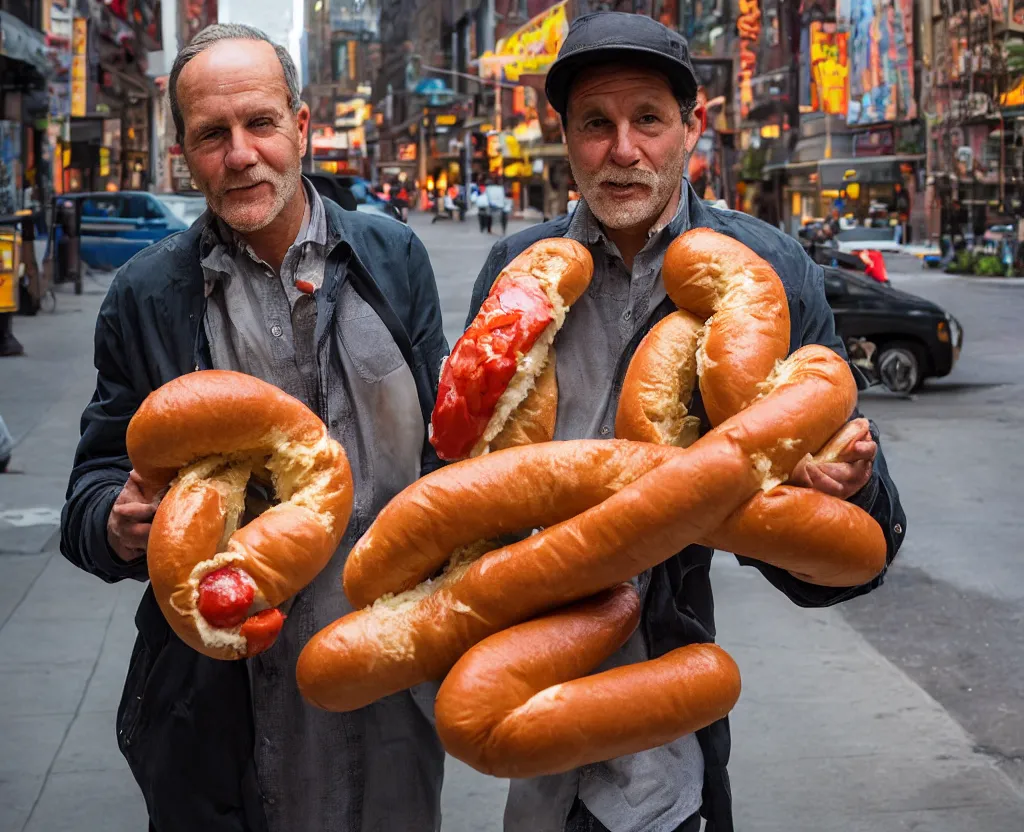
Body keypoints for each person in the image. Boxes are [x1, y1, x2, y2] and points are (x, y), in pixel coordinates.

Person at [465, 13, 906, 832]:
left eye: (649, 121)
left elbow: (854, 553)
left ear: (691, 128)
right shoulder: (515, 271)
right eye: (596, 123)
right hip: (531, 683)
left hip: (668, 702)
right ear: (563, 134)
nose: (623, 150)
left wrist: (851, 481)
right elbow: (472, 477)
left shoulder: (766, 270)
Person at [59, 24, 449, 832]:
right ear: (183, 151)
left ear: (301, 126)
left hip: (386, 681)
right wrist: (116, 522)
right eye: (212, 134)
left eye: (260, 123)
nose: (240, 155)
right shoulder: (147, 295)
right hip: (220, 697)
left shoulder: (393, 258)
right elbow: (91, 491)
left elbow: (443, 448)